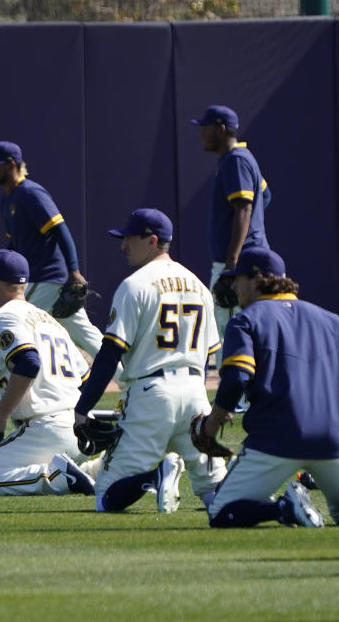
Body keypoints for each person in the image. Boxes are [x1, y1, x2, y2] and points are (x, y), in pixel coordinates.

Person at [203, 247, 339, 528]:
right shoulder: (330, 320)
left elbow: (237, 377)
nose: (234, 286)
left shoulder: (246, 319)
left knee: (220, 512)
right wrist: (336, 420)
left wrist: (211, 424)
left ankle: (283, 509)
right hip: (334, 441)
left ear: (257, 279)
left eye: (238, 278)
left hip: (276, 439)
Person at [73, 208, 226, 513]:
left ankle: (155, 475)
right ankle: (276, 503)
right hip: (196, 393)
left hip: (151, 394)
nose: (123, 245)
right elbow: (210, 353)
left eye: (130, 238)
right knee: (217, 496)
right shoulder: (200, 286)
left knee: (105, 497)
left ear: (152, 240)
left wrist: (83, 407)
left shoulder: (135, 285)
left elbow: (108, 356)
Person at [0, 249, 95, 497]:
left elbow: (29, 363)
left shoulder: (3, 317)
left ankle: (57, 477)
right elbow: (86, 379)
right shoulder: (49, 320)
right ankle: (93, 470)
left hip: (44, 430)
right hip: (76, 431)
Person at [0, 141, 103, 357]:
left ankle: (5, 388)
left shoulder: (30, 192)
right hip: (41, 279)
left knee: (13, 321)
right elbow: (15, 245)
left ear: (11, 165)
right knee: (85, 336)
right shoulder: (7, 200)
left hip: (46, 278)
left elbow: (60, 230)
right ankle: (125, 376)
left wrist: (73, 271)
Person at [192, 105, 272, 345]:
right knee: (247, 330)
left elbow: (244, 208)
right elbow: (265, 196)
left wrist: (232, 263)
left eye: (205, 127)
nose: (201, 133)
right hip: (250, 258)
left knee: (229, 331)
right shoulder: (242, 159)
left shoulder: (235, 160)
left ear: (221, 129)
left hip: (240, 263)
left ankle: (237, 381)